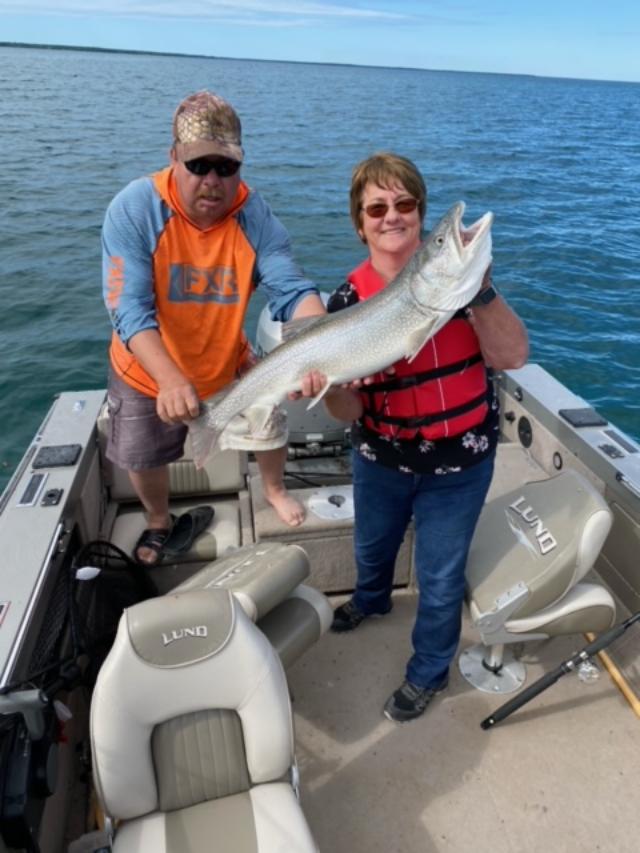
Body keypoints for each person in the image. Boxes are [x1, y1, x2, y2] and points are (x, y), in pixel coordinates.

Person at [300, 152, 528, 722]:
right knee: (372, 548)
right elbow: (349, 409)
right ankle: (372, 601)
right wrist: (327, 387)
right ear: (360, 223)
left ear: (421, 215)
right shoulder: (347, 302)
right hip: (381, 458)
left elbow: (514, 356)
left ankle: (428, 672)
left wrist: (479, 293)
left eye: (405, 204)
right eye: (377, 208)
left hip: (461, 464)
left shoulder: (463, 289)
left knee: (441, 576)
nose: (391, 216)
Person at [102, 90, 325, 565]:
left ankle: (274, 488)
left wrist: (322, 344)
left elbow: (289, 286)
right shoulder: (136, 208)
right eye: (199, 165)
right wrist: (168, 378)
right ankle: (160, 521)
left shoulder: (254, 214)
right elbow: (129, 309)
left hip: (227, 357)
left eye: (226, 168)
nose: (212, 180)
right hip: (147, 367)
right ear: (173, 158)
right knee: (144, 456)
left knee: (270, 425)